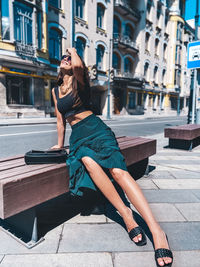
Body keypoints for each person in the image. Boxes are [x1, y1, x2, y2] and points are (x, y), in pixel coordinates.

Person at [51, 47, 173, 267]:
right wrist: (59, 145)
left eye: (69, 57)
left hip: (96, 129)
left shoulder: (81, 81)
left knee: (117, 171)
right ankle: (126, 214)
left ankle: (157, 231)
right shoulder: (55, 89)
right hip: (78, 137)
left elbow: (78, 65)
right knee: (87, 161)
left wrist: (73, 50)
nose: (66, 59)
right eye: (63, 57)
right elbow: (60, 121)